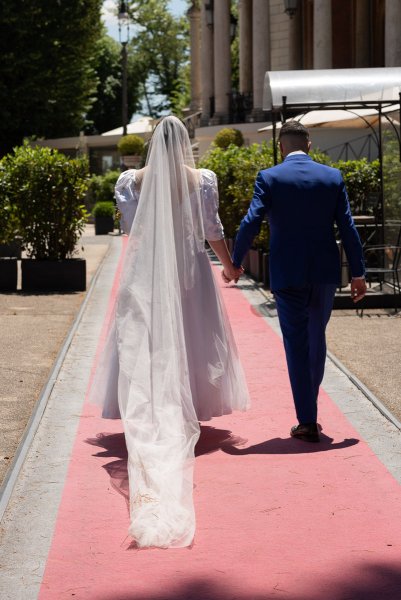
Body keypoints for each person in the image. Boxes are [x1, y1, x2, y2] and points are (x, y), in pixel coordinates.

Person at [88, 116, 249, 548]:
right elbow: (212, 230)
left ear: (152, 144)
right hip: (190, 271)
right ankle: (184, 406)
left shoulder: (130, 180)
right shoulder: (204, 179)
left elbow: (131, 233)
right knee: (195, 336)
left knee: (146, 338)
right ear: (184, 146)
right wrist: (230, 265)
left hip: (147, 271)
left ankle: (152, 403)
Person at [230, 121, 366, 443]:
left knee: (296, 344)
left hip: (287, 273)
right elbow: (348, 227)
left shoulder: (269, 177)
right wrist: (359, 273)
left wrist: (235, 262)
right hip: (323, 274)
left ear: (281, 147)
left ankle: (306, 419)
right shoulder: (332, 177)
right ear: (309, 145)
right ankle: (310, 408)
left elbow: (251, 220)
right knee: (316, 337)